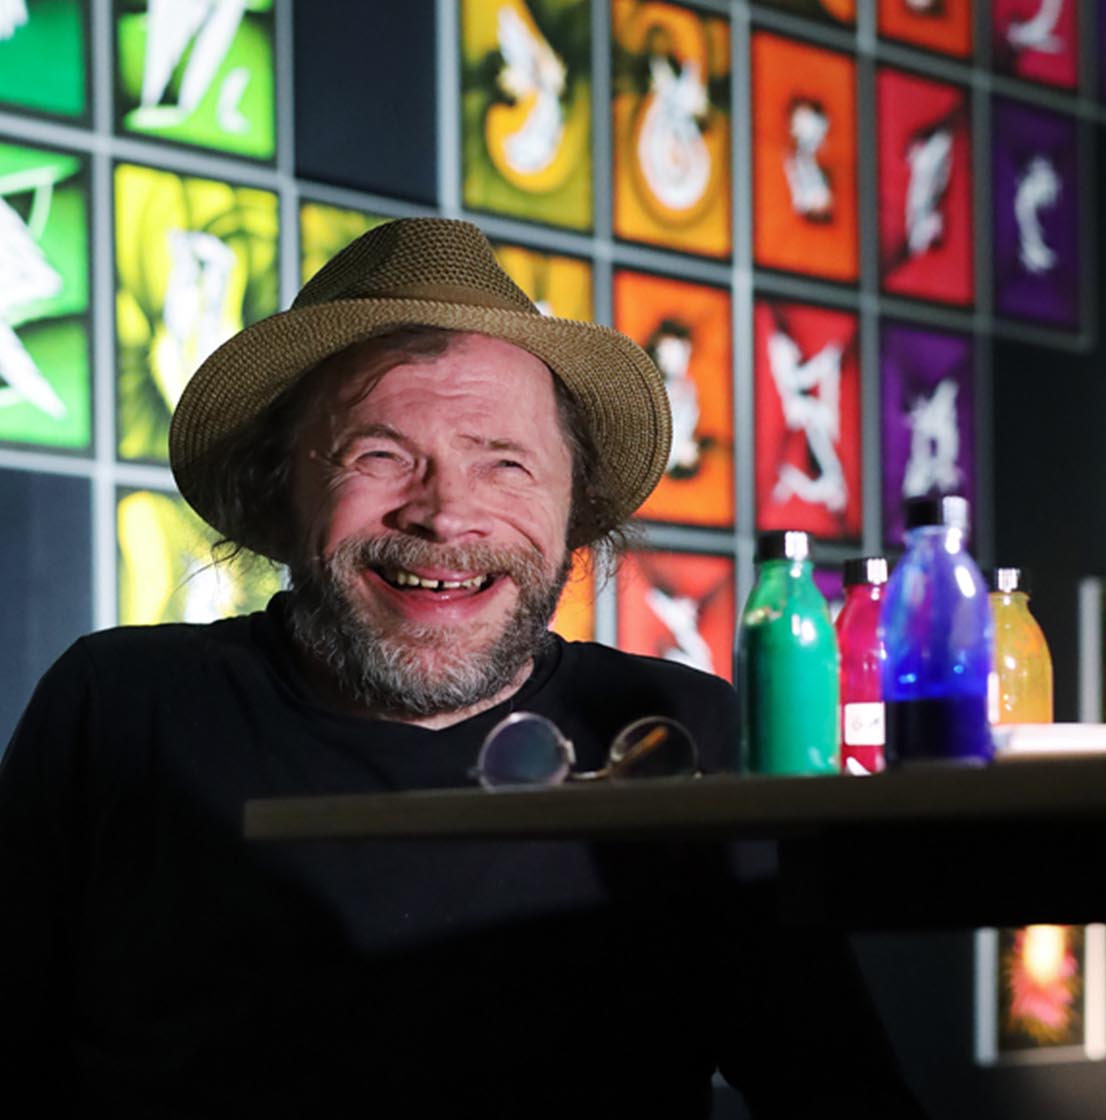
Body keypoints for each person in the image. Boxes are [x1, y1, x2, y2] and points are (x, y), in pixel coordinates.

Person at [0, 219, 925, 1116]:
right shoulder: (121, 708)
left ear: (573, 505)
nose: (445, 515)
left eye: (505, 465)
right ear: (281, 489)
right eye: (379, 455)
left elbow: (843, 1097)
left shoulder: (677, 732)